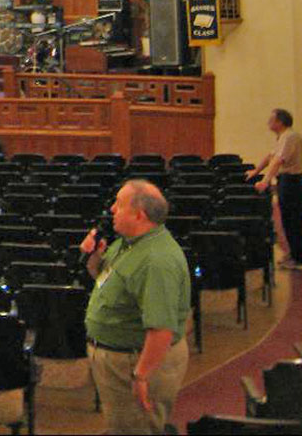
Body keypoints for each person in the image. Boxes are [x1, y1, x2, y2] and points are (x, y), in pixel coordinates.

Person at [80, 179, 190, 435]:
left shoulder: (156, 261)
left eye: (118, 204)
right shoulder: (127, 243)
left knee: (137, 428)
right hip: (120, 360)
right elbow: (103, 279)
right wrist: (93, 255)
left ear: (139, 214)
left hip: (134, 362)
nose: (111, 210)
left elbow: (162, 328)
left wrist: (141, 375)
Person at [246, 107, 302, 269]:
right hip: (286, 181)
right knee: (288, 220)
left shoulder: (290, 136)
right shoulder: (283, 137)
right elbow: (270, 157)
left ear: (280, 122)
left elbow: (278, 161)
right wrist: (256, 171)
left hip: (292, 182)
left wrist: (265, 181)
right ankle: (295, 253)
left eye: (271, 119)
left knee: (295, 220)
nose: (269, 122)